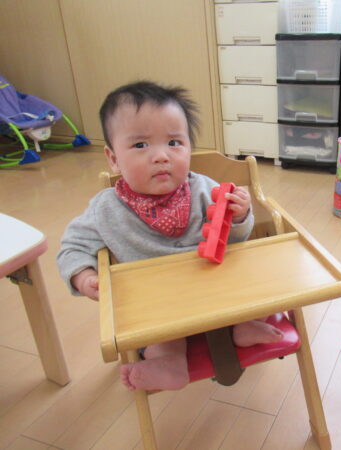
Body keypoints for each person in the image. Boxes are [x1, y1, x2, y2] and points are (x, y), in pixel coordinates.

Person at [57, 81, 283, 392]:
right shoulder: (106, 209)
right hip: (159, 305)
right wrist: (84, 277)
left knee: (265, 286)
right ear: (113, 158)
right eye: (140, 145)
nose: (161, 156)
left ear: (189, 148)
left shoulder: (204, 188)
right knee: (160, 334)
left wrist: (240, 216)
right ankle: (170, 362)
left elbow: (232, 241)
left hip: (216, 291)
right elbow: (72, 247)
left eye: (174, 142)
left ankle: (243, 325)